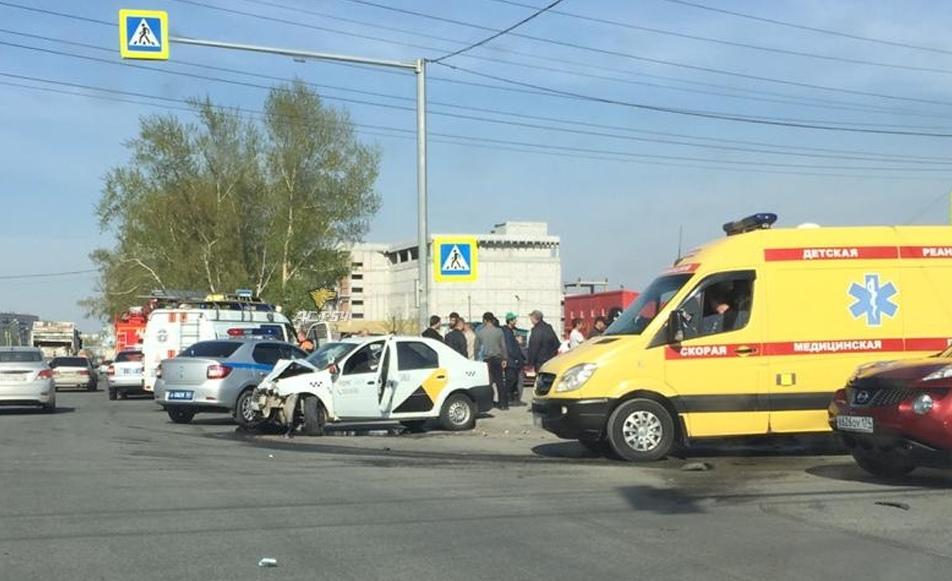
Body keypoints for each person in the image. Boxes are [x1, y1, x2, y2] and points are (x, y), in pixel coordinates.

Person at [475, 312, 509, 410]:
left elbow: (476, 348)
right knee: (500, 382)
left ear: (484, 320)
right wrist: (505, 358)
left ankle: (489, 403)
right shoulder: (499, 331)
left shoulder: (480, 332)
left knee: (488, 382)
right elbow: (503, 346)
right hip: (497, 359)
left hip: (486, 360)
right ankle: (503, 404)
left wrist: (477, 359)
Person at [502, 312, 525, 405]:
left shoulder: (511, 331)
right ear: (510, 321)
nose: (516, 321)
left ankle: (513, 399)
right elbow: (510, 347)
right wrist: (515, 358)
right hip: (511, 361)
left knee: (514, 380)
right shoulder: (507, 332)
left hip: (513, 360)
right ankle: (508, 400)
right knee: (511, 380)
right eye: (514, 319)